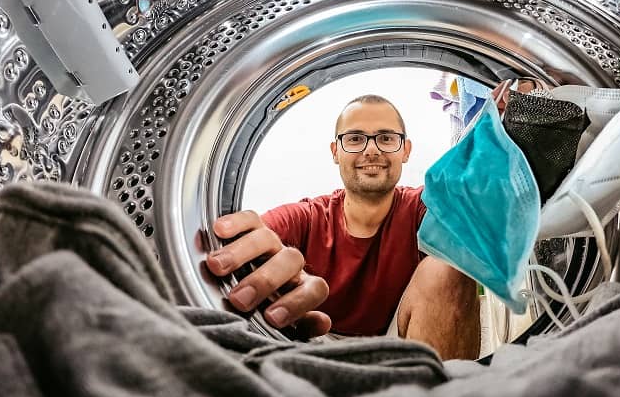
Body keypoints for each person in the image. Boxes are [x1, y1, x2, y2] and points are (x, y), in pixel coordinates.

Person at [205, 91, 513, 360]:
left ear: (405, 150)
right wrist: (238, 256)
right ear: (335, 152)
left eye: (386, 138)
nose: (371, 150)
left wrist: (509, 132)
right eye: (354, 139)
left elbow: (478, 197)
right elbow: (254, 237)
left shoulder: (424, 207)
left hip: (406, 339)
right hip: (318, 342)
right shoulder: (306, 217)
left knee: (446, 266)